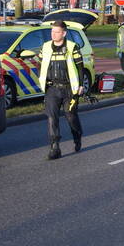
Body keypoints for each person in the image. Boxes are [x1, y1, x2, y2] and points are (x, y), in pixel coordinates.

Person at [38, 20, 85, 160]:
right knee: (52, 117)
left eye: (57, 32)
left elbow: (80, 67)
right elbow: (40, 64)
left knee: (70, 116)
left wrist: (81, 85)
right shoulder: (45, 47)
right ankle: (55, 148)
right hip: (52, 89)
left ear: (64, 33)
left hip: (70, 89)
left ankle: (77, 136)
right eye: (52, 31)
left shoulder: (72, 47)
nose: (53, 34)